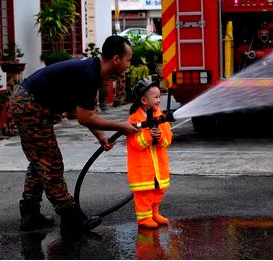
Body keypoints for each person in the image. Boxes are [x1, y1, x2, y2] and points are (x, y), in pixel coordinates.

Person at [9, 35, 138, 233]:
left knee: (40, 160)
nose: (129, 64)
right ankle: (71, 219)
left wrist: (101, 137)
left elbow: (85, 113)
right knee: (50, 163)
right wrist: (121, 126)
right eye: (128, 60)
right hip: (29, 104)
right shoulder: (89, 74)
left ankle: (30, 214)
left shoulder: (92, 70)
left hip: (31, 102)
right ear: (116, 59)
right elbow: (85, 118)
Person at [126, 79, 173, 228]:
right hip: (142, 169)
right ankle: (144, 218)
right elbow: (135, 143)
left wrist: (159, 137)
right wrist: (148, 136)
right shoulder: (134, 119)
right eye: (156, 97)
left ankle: (154, 213)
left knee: (158, 191)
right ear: (144, 100)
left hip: (159, 167)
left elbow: (168, 140)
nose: (159, 100)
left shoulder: (161, 117)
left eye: (159, 96)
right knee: (144, 194)